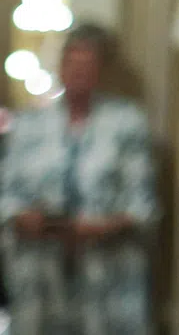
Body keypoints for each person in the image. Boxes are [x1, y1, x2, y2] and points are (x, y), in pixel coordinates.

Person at [0, 23, 158, 335]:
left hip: (105, 276)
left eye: (88, 65)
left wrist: (97, 227)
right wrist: (24, 218)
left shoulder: (126, 124)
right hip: (39, 274)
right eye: (71, 63)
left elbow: (142, 206)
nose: (78, 73)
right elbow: (7, 192)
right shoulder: (30, 125)